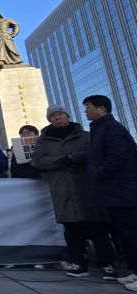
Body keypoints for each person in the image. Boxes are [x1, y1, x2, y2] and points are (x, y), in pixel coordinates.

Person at [32, 104, 116, 279]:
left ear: (67, 116)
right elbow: (38, 160)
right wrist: (61, 162)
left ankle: (107, 264)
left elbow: (93, 153)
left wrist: (73, 158)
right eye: (53, 116)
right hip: (62, 187)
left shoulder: (85, 135)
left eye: (60, 114)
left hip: (86, 185)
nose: (57, 118)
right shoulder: (43, 140)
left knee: (98, 227)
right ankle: (78, 263)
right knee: (71, 229)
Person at [82, 95, 137, 291]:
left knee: (131, 231)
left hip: (122, 189)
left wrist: (98, 173)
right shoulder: (99, 129)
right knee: (124, 233)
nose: (86, 111)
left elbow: (118, 157)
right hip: (113, 191)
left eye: (88, 107)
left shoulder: (112, 128)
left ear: (102, 109)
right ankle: (134, 271)